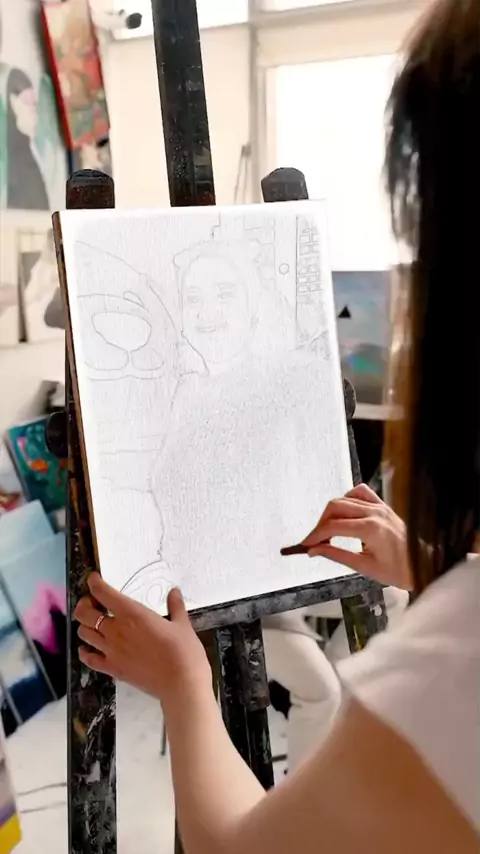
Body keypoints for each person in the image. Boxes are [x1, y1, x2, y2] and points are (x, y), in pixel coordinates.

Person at [75, 1, 480, 841]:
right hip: (203, 576)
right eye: (196, 298)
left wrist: (186, 687)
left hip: (266, 587)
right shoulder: (168, 397)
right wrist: (436, 570)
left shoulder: (451, 667)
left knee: (318, 689)